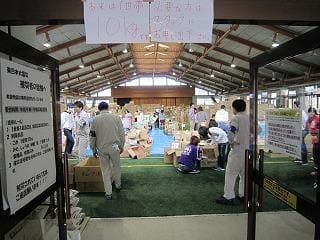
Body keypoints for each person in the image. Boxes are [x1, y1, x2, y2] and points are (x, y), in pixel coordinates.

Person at [216, 99, 249, 205]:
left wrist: (232, 141)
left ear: (234, 108)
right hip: (248, 151)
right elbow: (259, 130)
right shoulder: (250, 118)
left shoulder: (236, 118)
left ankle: (228, 196)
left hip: (237, 151)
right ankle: (243, 195)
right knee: (244, 175)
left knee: (231, 173)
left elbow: (231, 133)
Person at [90, 102, 125, 200]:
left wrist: (93, 149)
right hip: (114, 147)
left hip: (101, 148)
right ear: (108, 108)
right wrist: (121, 146)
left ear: (99, 109)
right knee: (116, 167)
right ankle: (118, 186)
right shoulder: (116, 118)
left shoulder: (94, 120)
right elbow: (122, 133)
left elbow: (92, 136)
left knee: (105, 170)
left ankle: (108, 193)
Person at [293, 100, 309, 165]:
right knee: (298, 144)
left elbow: (306, 122)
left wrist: (304, 129)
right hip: (300, 130)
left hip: (303, 130)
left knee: (302, 144)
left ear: (298, 106)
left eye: (295, 106)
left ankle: (304, 161)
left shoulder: (302, 113)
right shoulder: (297, 112)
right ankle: (300, 158)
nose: (294, 107)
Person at [306, 107, 319, 176]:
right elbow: (308, 128)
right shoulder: (309, 119)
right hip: (314, 140)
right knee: (315, 156)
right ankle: (316, 171)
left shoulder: (317, 118)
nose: (311, 113)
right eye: (310, 112)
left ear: (315, 112)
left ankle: (317, 171)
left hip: (318, 140)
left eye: (313, 112)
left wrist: (316, 132)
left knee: (317, 155)